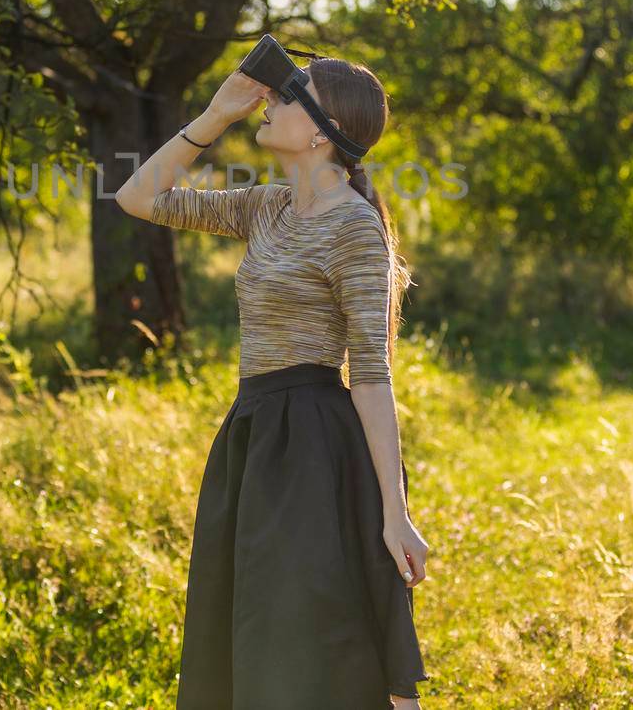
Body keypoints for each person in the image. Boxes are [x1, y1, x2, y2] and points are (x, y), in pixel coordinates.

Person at [116, 59, 432, 709]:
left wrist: (394, 512)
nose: (274, 100)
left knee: (310, 636)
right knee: (253, 631)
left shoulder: (355, 228)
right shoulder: (267, 206)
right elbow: (137, 197)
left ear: (324, 130)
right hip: (253, 435)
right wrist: (216, 115)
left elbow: (371, 374)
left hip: (315, 445)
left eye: (293, 95)